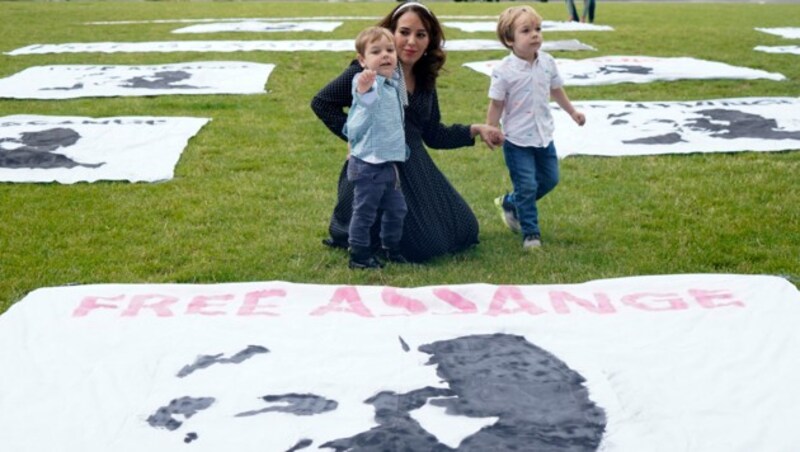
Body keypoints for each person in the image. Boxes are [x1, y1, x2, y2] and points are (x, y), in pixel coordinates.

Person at [311, 1, 503, 263]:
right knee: (422, 245)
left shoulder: (425, 78)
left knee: (464, 229)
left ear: (429, 41)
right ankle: (362, 245)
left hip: (414, 161)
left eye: (420, 34)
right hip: (373, 165)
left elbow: (433, 134)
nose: (411, 41)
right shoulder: (367, 71)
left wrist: (475, 130)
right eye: (404, 32)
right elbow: (322, 103)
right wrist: (359, 139)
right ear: (391, 32)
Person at [486, 5, 585, 250]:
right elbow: (496, 103)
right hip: (517, 140)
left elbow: (556, 89)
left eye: (538, 29)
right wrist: (490, 129)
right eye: (526, 31)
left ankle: (510, 202)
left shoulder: (547, 62)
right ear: (510, 40)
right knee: (527, 186)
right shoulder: (503, 71)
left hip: (543, 136)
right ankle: (531, 233)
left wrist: (572, 111)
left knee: (550, 179)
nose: (535, 35)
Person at [343, 26, 409, 269]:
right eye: (376, 51)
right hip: (367, 164)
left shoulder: (391, 83)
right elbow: (365, 99)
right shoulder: (367, 82)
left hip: (388, 164)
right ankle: (359, 254)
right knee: (365, 212)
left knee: (397, 209)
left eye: (390, 50)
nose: (385, 55)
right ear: (362, 60)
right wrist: (365, 86)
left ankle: (390, 247)